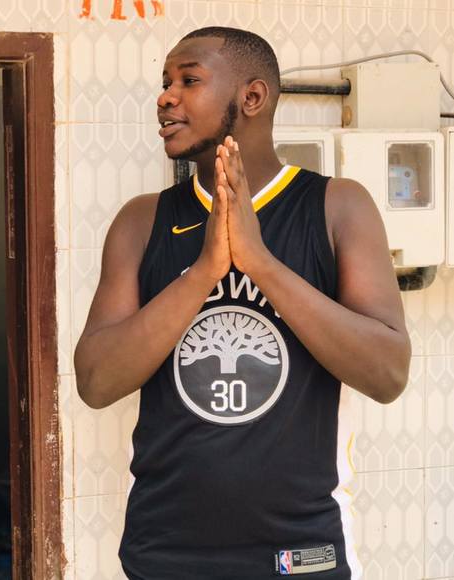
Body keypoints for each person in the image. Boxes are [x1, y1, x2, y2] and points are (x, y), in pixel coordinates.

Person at [74, 26, 411, 580]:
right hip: (165, 552)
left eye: (189, 80)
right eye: (164, 83)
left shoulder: (337, 207)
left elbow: (387, 373)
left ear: (252, 97)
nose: (166, 97)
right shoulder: (141, 221)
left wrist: (259, 262)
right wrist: (205, 271)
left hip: (301, 550)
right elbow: (96, 381)